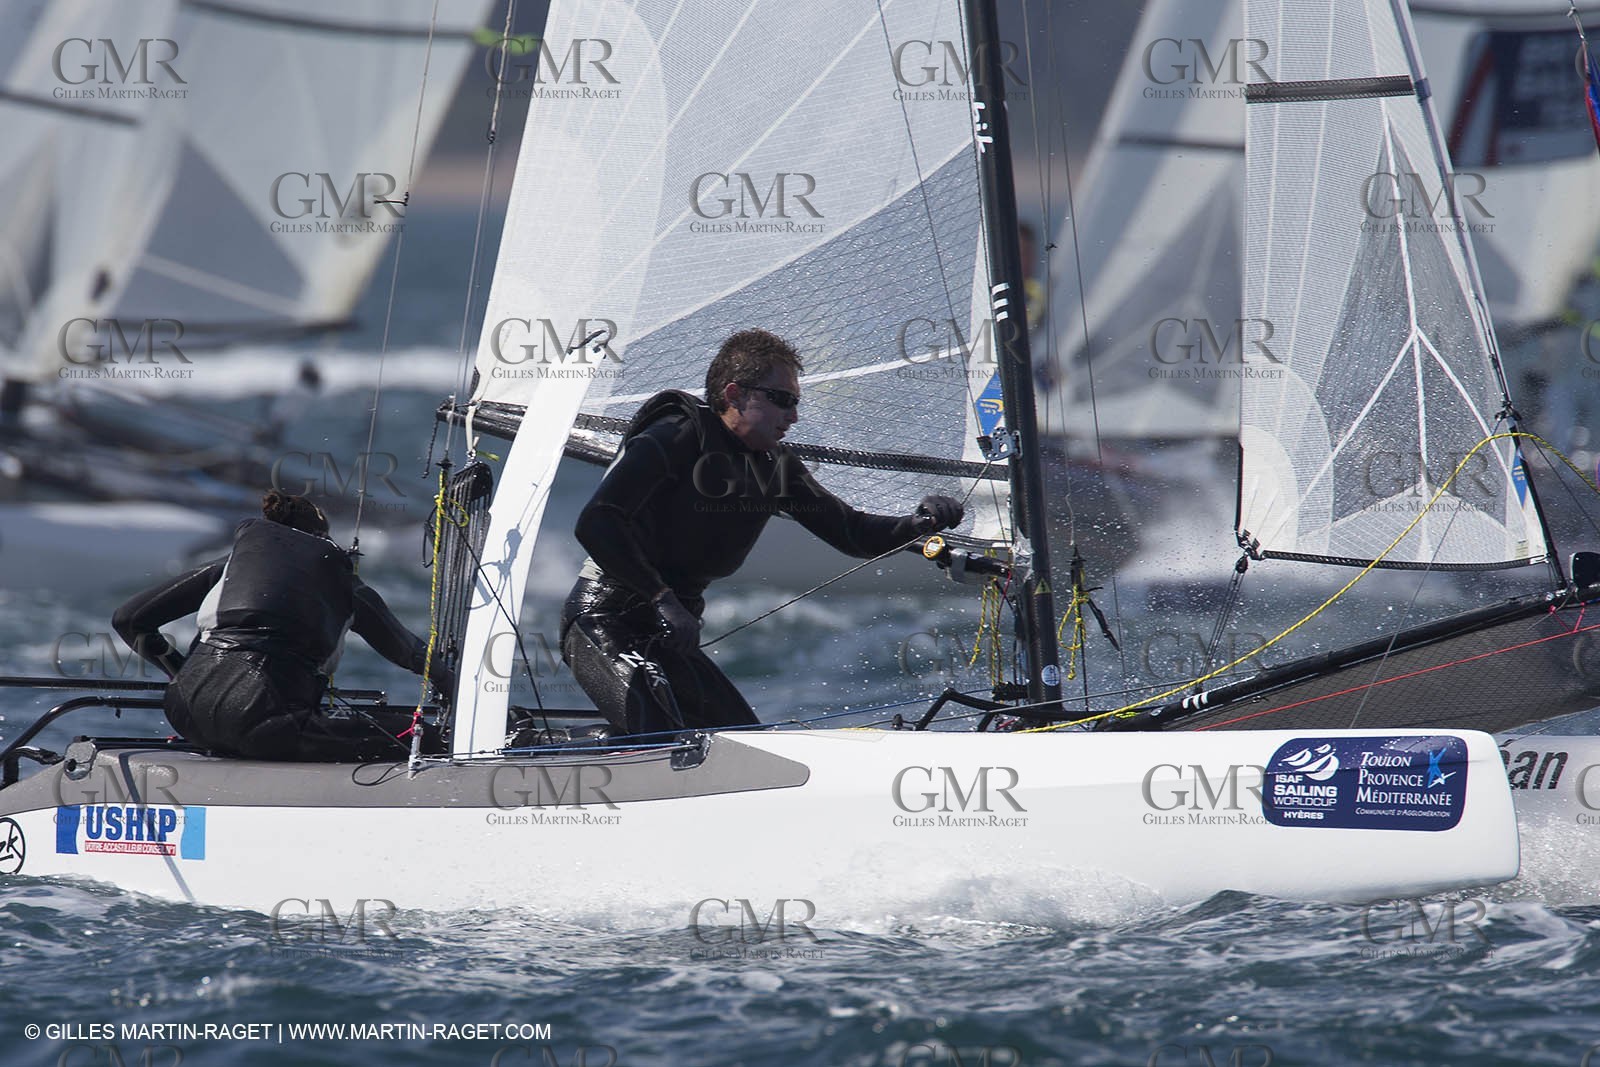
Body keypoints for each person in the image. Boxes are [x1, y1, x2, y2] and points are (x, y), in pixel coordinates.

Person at [560, 328, 964, 737]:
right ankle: (564, 748)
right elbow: (597, 522)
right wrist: (662, 599)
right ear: (735, 394)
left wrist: (921, 522)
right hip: (604, 619)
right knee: (662, 744)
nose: (793, 417)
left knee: (744, 744)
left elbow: (854, 533)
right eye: (782, 400)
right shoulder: (674, 437)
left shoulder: (775, 469)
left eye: (796, 403)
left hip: (668, 634)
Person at [113, 490, 452, 761]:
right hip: (269, 724)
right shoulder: (346, 586)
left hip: (183, 713)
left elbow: (129, 620)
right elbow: (410, 653)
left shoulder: (229, 567)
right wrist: (453, 684)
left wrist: (182, 674)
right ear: (323, 539)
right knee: (422, 736)